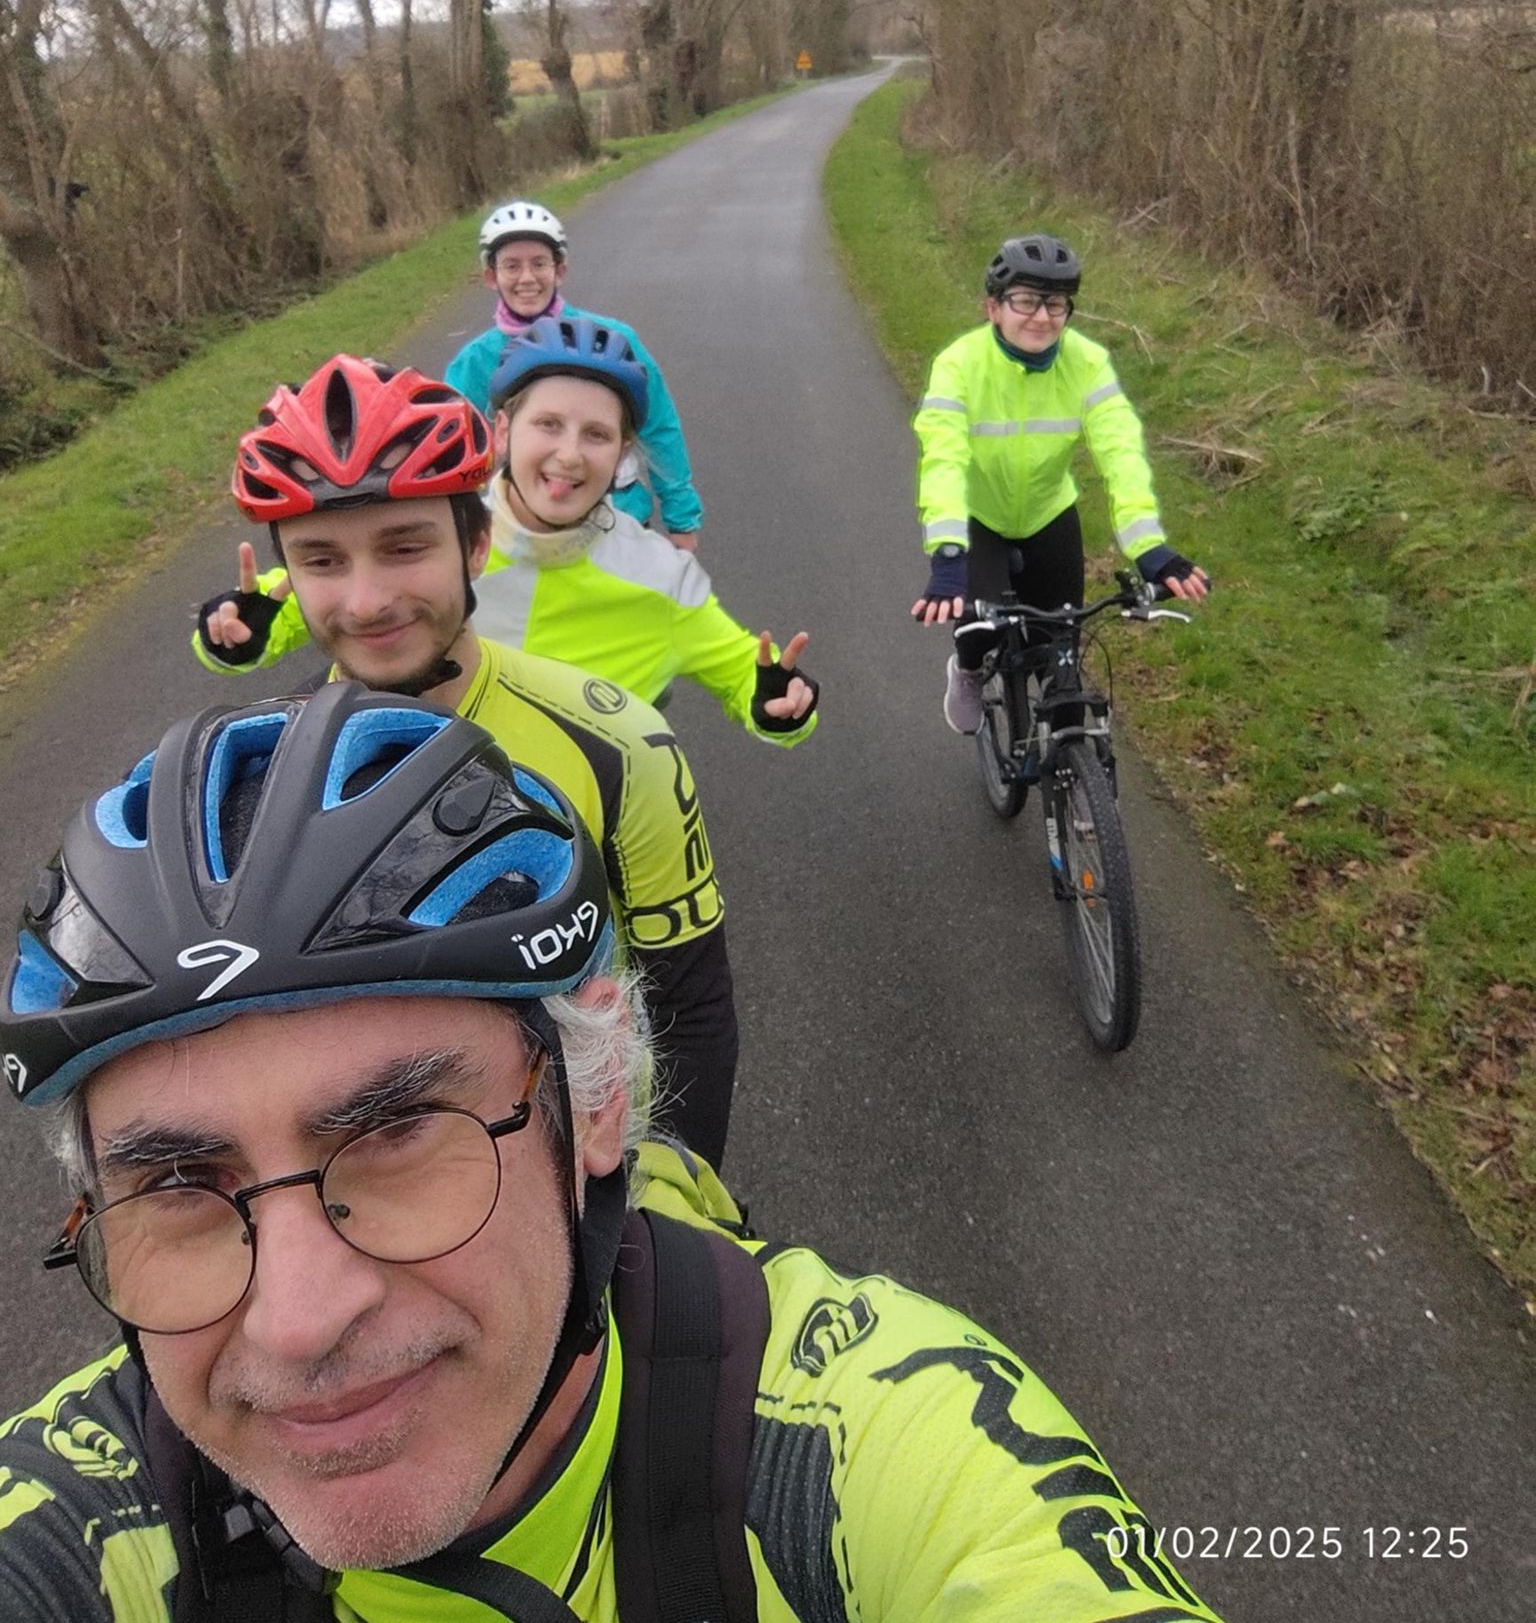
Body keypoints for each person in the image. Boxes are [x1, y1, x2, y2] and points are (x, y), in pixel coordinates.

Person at [0, 685, 1225, 1622]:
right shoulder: (64, 1522)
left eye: (398, 1133)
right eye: (176, 1184)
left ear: (594, 1102)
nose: (299, 1318)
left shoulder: (870, 1441)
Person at [192, 354, 736, 1164]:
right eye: (323, 561)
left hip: (581, 1164)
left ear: (476, 545)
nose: (367, 602)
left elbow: (691, 1010)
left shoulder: (622, 746)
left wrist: (680, 1191)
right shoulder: (254, 775)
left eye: (404, 547)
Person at [199, 319, 819, 749]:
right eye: (548, 424)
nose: (569, 455)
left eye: (596, 434)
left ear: (623, 453)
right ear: (501, 431)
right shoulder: (439, 533)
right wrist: (239, 633)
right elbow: (321, 594)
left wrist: (775, 703)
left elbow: (743, 670)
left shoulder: (661, 575)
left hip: (585, 830)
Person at [913, 234, 1210, 734]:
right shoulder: (959, 365)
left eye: (1055, 304)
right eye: (1025, 301)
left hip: (1049, 514)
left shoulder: (1087, 363)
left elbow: (1121, 451)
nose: (1042, 317)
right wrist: (947, 552)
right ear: (993, 308)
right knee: (979, 631)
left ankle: (1073, 766)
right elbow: (943, 458)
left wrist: (1148, 547)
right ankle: (966, 672)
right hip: (981, 517)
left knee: (1061, 658)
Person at [445, 199, 704, 547]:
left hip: (619, 520)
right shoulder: (475, 361)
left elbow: (658, 427)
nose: (526, 278)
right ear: (491, 276)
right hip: (523, 534)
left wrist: (681, 518)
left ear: (560, 270)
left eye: (539, 263)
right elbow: (451, 456)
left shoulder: (613, 341)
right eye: (511, 266)